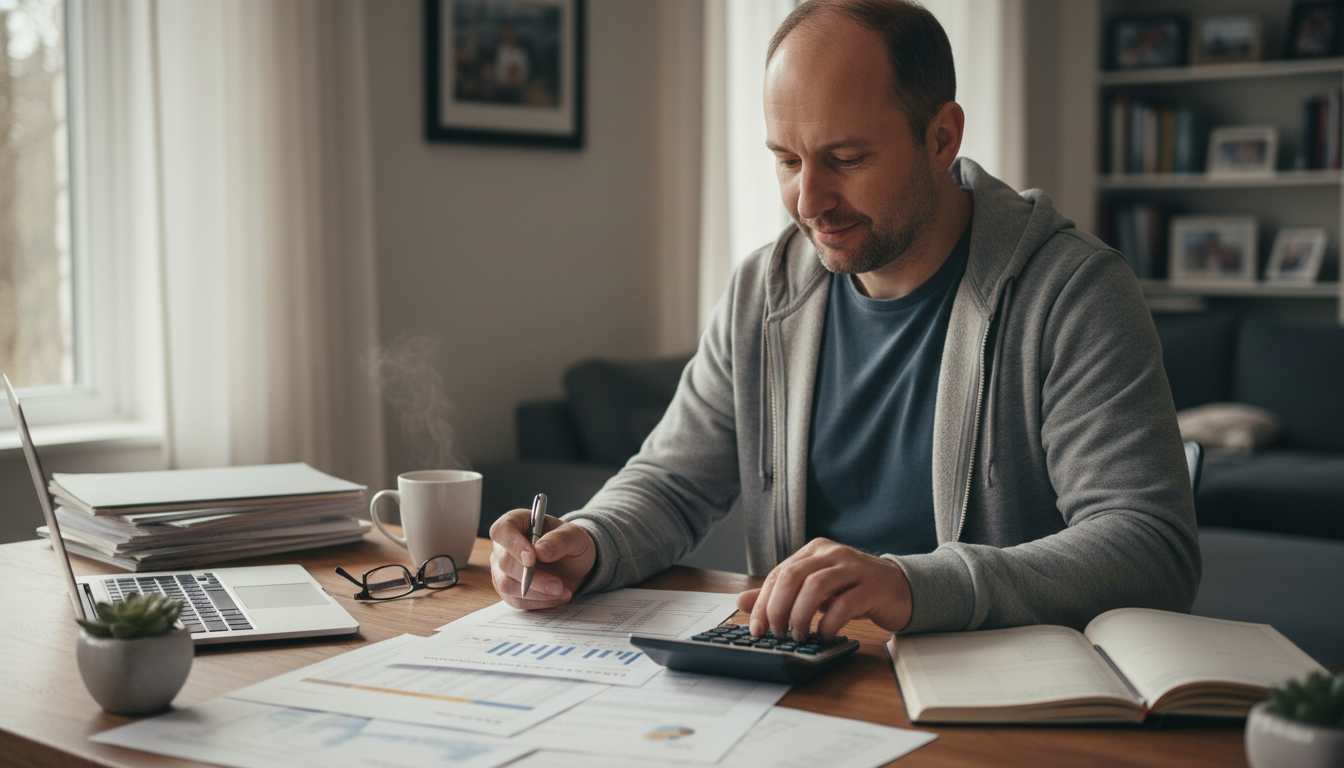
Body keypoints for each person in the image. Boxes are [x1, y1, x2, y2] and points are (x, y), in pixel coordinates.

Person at [489, 0, 1199, 642]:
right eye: (786, 160)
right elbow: (672, 484)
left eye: (846, 159)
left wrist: (908, 585)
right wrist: (589, 538)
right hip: (803, 688)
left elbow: (1148, 547)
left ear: (942, 137)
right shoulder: (762, 293)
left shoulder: (1074, 292)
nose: (808, 201)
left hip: (1002, 700)